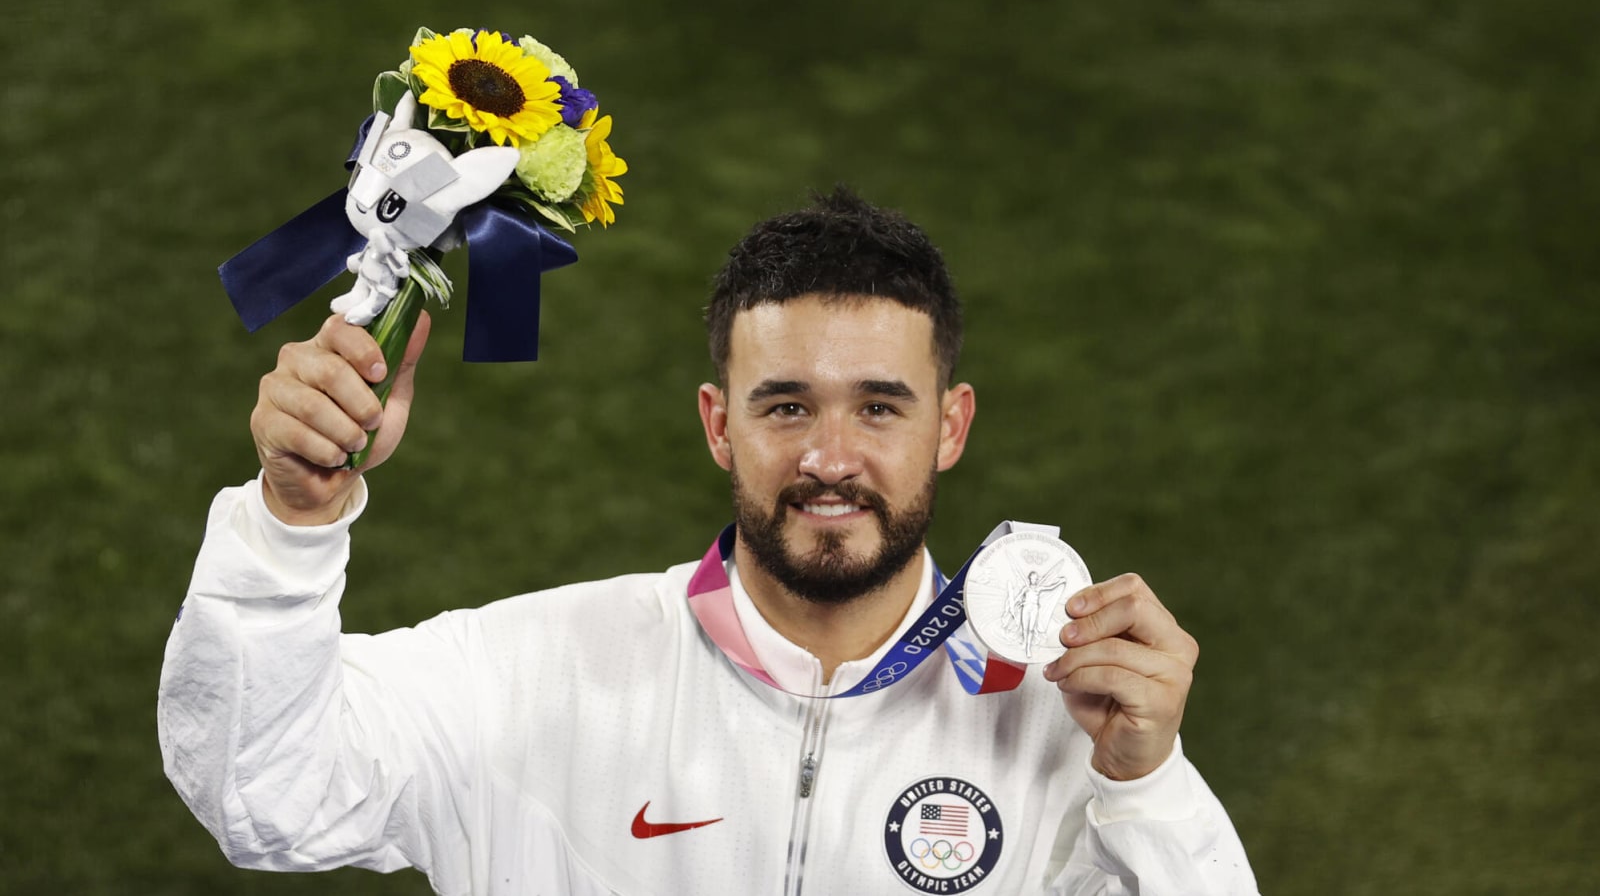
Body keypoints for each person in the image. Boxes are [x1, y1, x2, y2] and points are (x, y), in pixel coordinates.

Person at [159, 188, 1259, 895]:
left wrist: (1148, 786)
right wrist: (294, 520)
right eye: (785, 407)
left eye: (879, 408)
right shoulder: (526, 673)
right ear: (717, 424)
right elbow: (265, 792)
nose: (831, 458)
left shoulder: (1064, 735)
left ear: (951, 426)